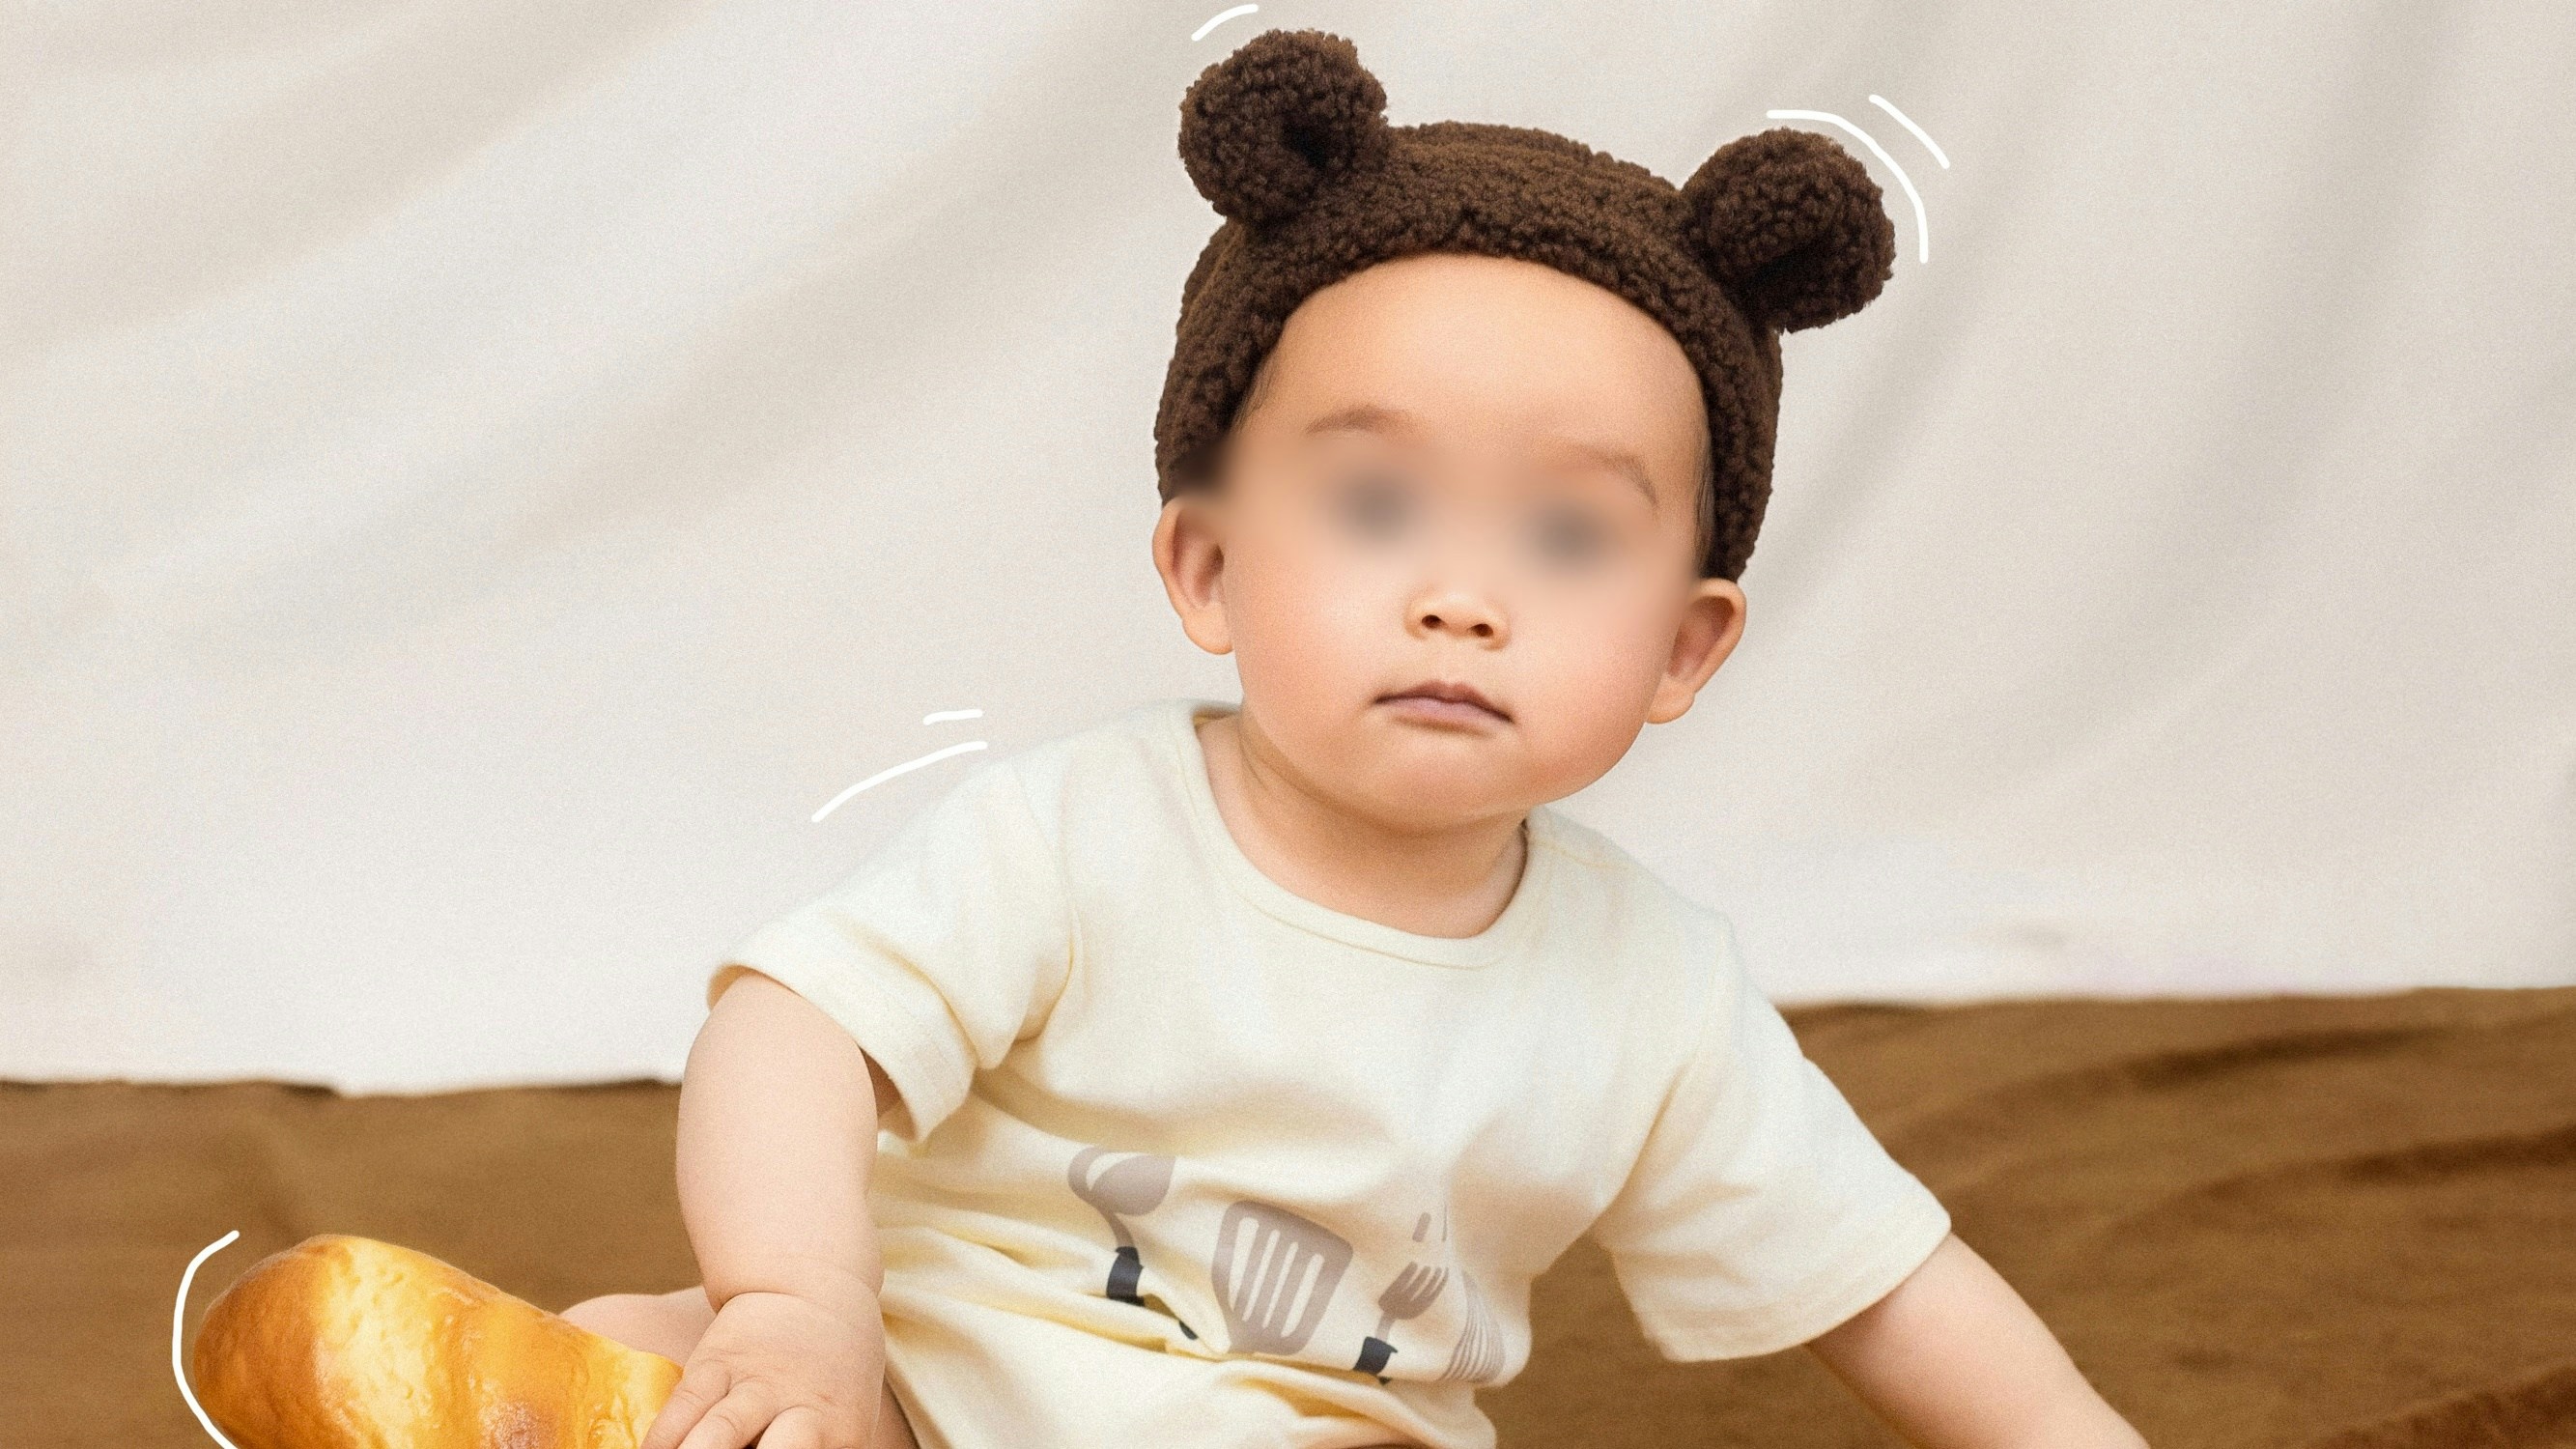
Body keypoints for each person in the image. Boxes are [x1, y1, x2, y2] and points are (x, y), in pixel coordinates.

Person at [565, 29, 2146, 1449]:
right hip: (914, 1385)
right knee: (635, 1358)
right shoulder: (1078, 835)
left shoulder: (1652, 994)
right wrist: (796, 1304)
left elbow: (1884, 1280)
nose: (1462, 599)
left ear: (1683, 647)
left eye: (1569, 536)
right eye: (1379, 506)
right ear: (1210, 566)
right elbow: (795, 1032)